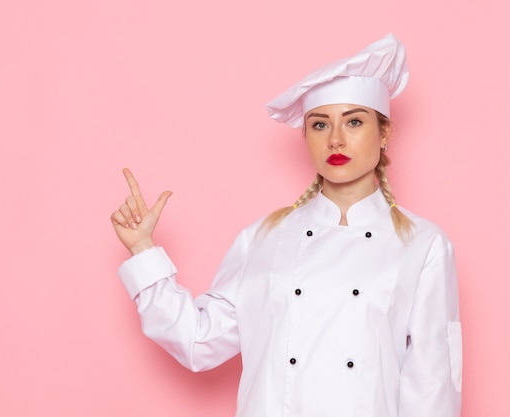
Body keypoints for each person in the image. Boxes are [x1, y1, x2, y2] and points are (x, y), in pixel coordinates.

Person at [110, 33, 462, 417]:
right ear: (306, 136)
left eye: (354, 122)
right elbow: (198, 341)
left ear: (384, 134)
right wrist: (143, 249)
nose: (337, 140)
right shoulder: (263, 238)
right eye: (320, 125)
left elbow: (432, 385)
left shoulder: (423, 244)